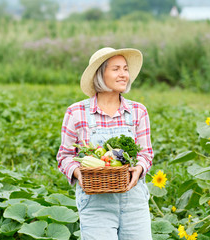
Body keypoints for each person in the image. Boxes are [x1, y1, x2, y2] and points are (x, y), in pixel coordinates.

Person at [57, 47, 154, 240]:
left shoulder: (138, 111)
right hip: (95, 204)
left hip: (134, 201)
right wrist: (79, 173)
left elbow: (146, 154)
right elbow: (65, 156)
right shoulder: (76, 112)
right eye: (116, 69)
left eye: (125, 69)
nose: (123, 75)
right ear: (100, 74)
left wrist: (140, 169)